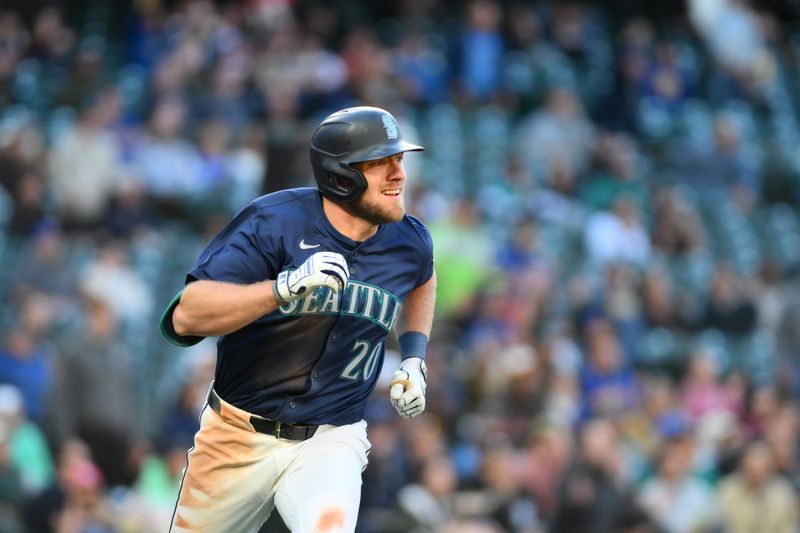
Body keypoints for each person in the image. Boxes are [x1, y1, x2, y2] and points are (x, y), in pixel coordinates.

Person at [159, 106, 436, 533]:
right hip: (237, 434)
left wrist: (414, 357)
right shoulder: (274, 222)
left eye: (400, 159)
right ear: (342, 175)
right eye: (383, 162)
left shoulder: (409, 240)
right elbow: (187, 314)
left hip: (331, 438)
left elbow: (423, 277)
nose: (400, 173)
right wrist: (280, 289)